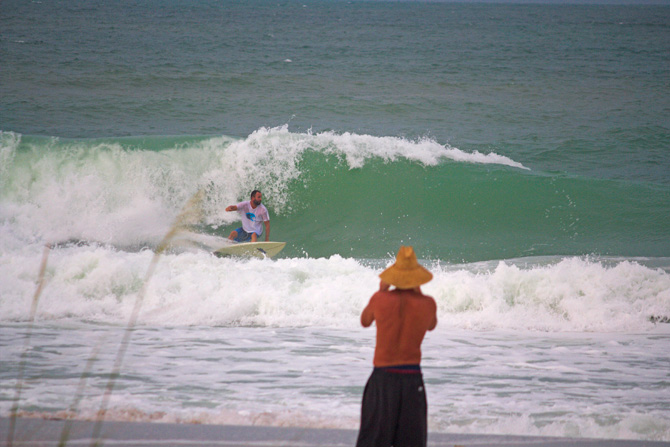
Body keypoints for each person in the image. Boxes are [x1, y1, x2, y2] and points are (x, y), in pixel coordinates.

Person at [356, 246, 438, 447]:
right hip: (412, 380)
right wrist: (417, 289)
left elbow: (365, 321)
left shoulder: (380, 300)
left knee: (373, 441)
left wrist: (381, 290)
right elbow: (431, 325)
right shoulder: (427, 304)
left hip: (383, 378)